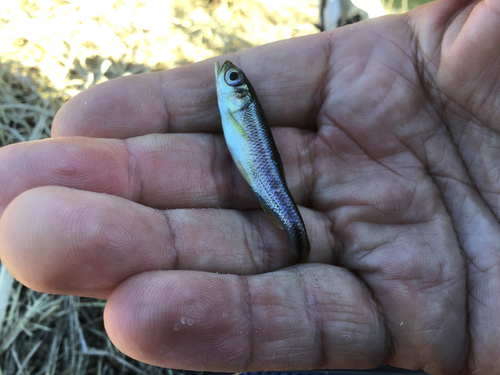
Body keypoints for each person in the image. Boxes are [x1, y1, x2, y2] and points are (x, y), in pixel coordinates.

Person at [0, 0, 498, 373]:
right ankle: (296, 244)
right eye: (234, 80)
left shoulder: (238, 101)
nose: (227, 77)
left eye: (234, 81)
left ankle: (295, 242)